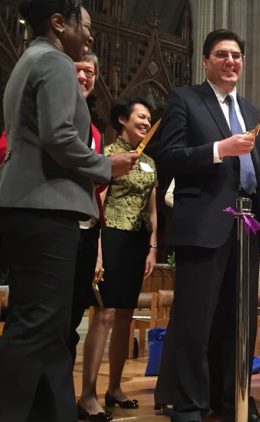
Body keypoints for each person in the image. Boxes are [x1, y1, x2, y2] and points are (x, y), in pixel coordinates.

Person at [155, 29, 260, 422]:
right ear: (206, 62)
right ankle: (188, 405)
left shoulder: (253, 112)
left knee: (238, 322)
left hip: (246, 225)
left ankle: (233, 401)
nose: (231, 61)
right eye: (221, 54)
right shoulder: (185, 99)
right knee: (194, 321)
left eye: (236, 55)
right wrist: (220, 149)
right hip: (204, 223)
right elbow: (168, 157)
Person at [0, 2, 136, 420]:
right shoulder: (56, 63)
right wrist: (105, 165)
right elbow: (59, 137)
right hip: (47, 207)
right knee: (37, 326)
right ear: (59, 23)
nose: (91, 36)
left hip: (29, 206)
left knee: (49, 327)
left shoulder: (30, 60)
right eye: (86, 26)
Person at [77, 98, 157, 418]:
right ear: (122, 119)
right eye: (140, 116)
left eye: (149, 118)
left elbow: (152, 209)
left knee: (125, 316)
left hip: (137, 242)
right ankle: (87, 393)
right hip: (110, 237)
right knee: (105, 315)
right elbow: (99, 201)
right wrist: (96, 249)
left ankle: (115, 387)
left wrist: (152, 246)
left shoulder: (150, 160)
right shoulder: (108, 155)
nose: (146, 122)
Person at [69, 52, 107, 363]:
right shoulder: (51, 108)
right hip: (55, 223)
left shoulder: (95, 132)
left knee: (72, 315)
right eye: (79, 69)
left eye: (91, 71)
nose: (85, 76)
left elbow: (99, 187)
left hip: (86, 229)